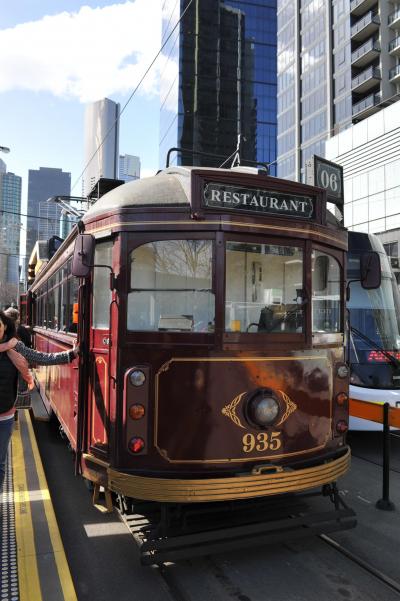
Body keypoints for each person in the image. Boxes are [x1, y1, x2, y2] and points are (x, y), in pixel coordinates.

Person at [0, 310, 79, 490]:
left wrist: (71, 354)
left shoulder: (15, 346)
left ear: (5, 327)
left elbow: (41, 358)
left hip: (4, 416)